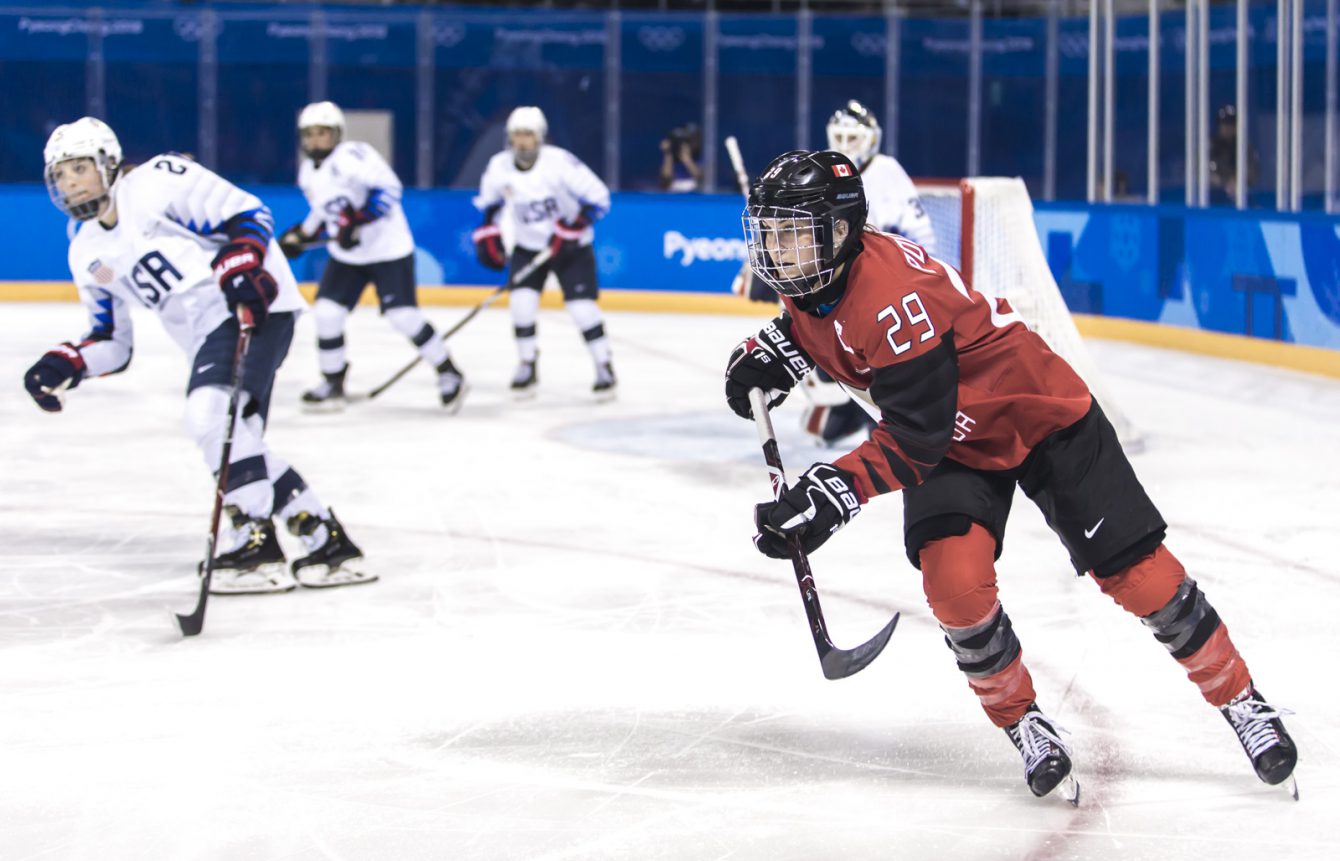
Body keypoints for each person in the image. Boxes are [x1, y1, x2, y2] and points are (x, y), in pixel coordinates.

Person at [722, 149, 1298, 802]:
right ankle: (1024, 720)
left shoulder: (891, 297)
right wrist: (782, 350)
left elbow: (914, 438)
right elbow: (826, 327)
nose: (777, 250)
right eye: (771, 233)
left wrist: (833, 492)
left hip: (1035, 410)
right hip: (955, 438)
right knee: (954, 585)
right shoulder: (822, 278)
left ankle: (1241, 699)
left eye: (792, 233)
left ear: (839, 231)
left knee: (1139, 574)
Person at [26, 117, 374, 594]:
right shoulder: (87, 250)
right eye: (61, 174)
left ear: (108, 163)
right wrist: (67, 363)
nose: (70, 182)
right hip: (210, 336)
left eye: (79, 168)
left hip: (251, 308)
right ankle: (324, 540)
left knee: (210, 415)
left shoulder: (157, 181)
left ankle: (255, 543)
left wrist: (241, 261)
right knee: (238, 435)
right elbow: (112, 340)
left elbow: (248, 214)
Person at [279, 101, 466, 411]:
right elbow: (324, 210)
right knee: (326, 312)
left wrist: (359, 220)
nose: (315, 140)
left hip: (387, 250)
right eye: (309, 134)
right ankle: (333, 381)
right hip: (349, 256)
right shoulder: (308, 172)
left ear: (336, 134)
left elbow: (390, 190)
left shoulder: (354, 157)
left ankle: (449, 373)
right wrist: (303, 233)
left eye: (322, 133)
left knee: (403, 317)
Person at [801, 99, 939, 447]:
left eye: (853, 138)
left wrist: (916, 284)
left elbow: (922, 236)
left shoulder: (886, 171)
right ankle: (851, 411)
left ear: (871, 139)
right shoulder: (826, 174)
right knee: (828, 392)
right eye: (840, 137)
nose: (845, 146)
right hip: (846, 292)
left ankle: (882, 421)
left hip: (886, 286)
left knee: (883, 364)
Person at [472, 106, 616, 400]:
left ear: (540, 137)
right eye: (517, 135)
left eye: (528, 135)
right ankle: (527, 363)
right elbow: (490, 206)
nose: (522, 141)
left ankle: (603, 364)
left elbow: (600, 199)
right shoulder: (499, 166)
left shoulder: (560, 164)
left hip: (571, 248)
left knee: (581, 309)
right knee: (521, 306)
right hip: (529, 247)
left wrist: (571, 227)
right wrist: (489, 235)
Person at [1208, 104, 1258, 206]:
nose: (1228, 127)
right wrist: (1224, 182)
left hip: (1239, 199)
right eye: (1224, 123)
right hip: (1212, 200)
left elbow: (1253, 174)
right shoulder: (1209, 147)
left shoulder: (1244, 147)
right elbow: (1202, 173)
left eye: (1231, 123)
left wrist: (1237, 181)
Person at [659, 124, 703, 193]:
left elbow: (700, 177)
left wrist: (686, 158)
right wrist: (667, 153)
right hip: (674, 194)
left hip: (694, 194)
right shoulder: (671, 157)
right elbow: (666, 179)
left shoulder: (699, 157)